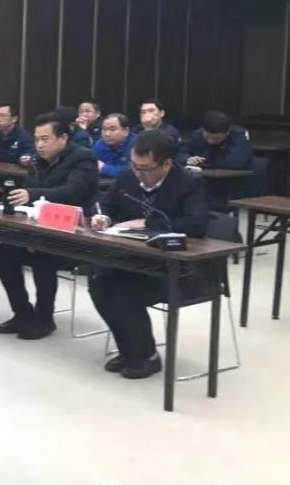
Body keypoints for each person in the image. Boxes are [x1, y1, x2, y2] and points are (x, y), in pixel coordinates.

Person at [90, 130, 214, 379]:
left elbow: (197, 224)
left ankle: (146, 356)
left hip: (178, 268)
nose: (138, 174)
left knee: (125, 291)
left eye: (145, 169)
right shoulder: (127, 177)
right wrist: (103, 216)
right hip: (134, 258)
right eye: (134, 166)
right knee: (99, 283)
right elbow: (107, 203)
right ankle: (130, 350)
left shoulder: (188, 182)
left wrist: (149, 224)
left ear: (166, 164)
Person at [0, 112, 99, 340]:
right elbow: (31, 194)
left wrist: (32, 194)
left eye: (45, 139)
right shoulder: (37, 160)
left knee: (42, 254)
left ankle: (44, 318)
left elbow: (73, 191)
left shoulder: (84, 158)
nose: (39, 145)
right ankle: (22, 313)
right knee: (3, 249)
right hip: (40, 228)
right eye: (36, 139)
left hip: (76, 234)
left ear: (63, 139)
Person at [186, 110, 253, 207]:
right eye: (207, 137)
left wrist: (205, 163)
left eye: (216, 139)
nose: (210, 141)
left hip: (234, 184)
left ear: (227, 133)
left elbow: (235, 162)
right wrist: (189, 159)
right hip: (204, 181)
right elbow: (184, 153)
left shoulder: (238, 135)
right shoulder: (198, 134)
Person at [92, 113, 134, 179]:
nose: (107, 134)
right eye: (104, 129)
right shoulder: (99, 144)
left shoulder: (137, 144)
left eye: (112, 129)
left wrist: (104, 168)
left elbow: (133, 173)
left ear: (126, 131)